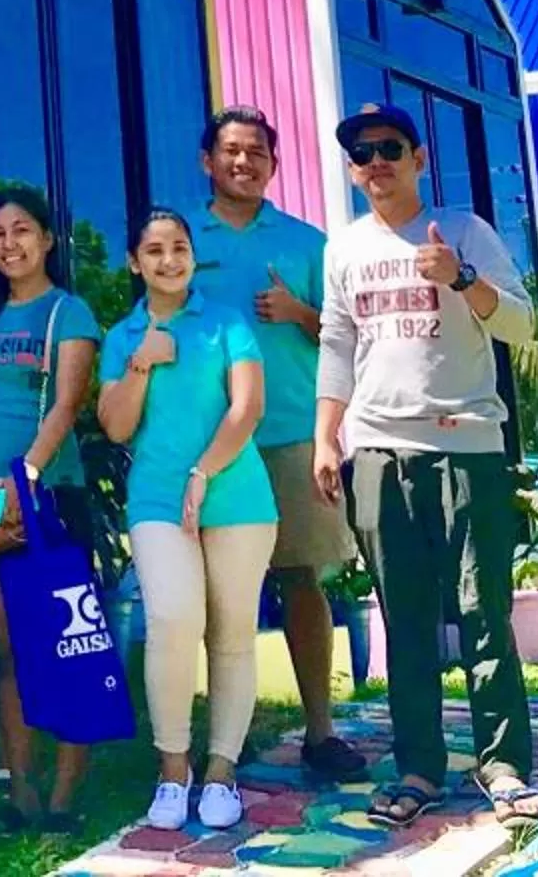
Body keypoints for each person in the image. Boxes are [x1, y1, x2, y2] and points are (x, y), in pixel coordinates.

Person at [311, 105, 538, 830]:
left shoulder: (465, 231)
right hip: (378, 450)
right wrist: (327, 438)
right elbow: (336, 342)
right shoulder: (343, 249)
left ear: (417, 158)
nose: (374, 163)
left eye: (387, 150)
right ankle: (418, 767)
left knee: (482, 613)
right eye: (361, 154)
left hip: (468, 446)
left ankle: (502, 765)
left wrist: (462, 278)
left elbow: (523, 324)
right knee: (404, 620)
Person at [188, 106, 366, 781]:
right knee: (214, 593)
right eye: (231, 151)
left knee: (302, 581)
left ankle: (320, 732)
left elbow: (346, 336)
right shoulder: (181, 239)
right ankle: (219, 744)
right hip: (208, 443)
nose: (244, 162)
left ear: (273, 163)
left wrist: (300, 313)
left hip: (292, 432)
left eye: (257, 152)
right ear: (208, 161)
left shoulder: (307, 242)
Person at [98, 209, 273, 835]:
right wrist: (142, 361)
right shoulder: (121, 337)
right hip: (156, 500)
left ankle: (221, 773)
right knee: (173, 617)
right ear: (135, 262)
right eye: (154, 250)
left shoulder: (226, 323)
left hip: (239, 498)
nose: (168, 260)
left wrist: (204, 473)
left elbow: (248, 408)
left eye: (178, 248)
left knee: (231, 635)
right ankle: (174, 771)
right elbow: (115, 426)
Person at [0, 185, 100, 835]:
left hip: (47, 496)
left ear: (47, 239)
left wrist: (26, 480)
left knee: (67, 648)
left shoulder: (70, 311)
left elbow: (66, 405)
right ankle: (23, 794)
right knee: (10, 656)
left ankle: (65, 798)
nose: (9, 244)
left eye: (22, 231)